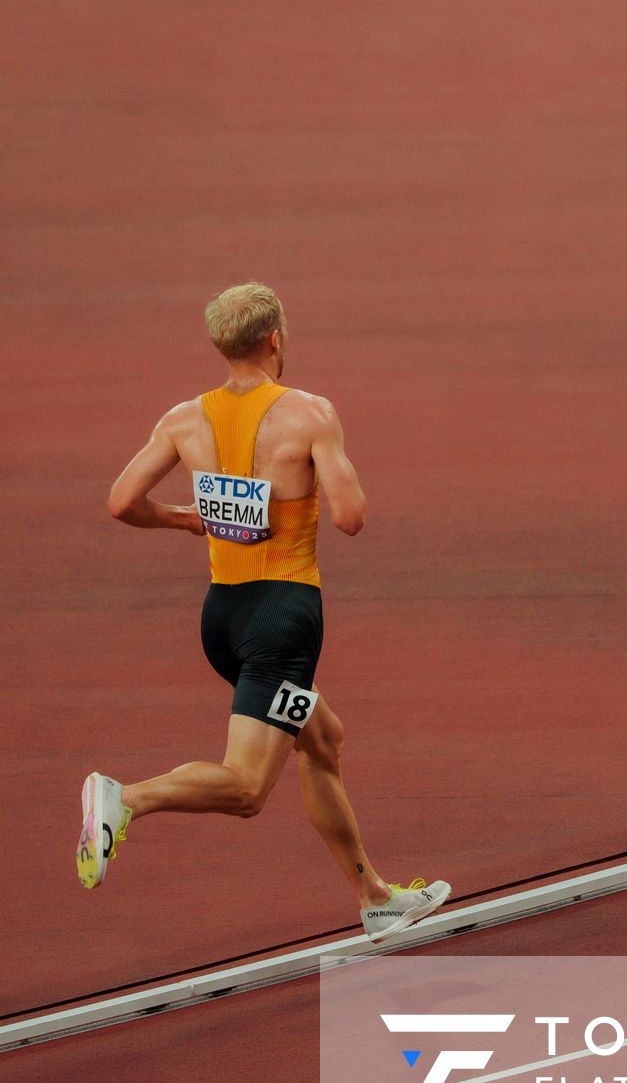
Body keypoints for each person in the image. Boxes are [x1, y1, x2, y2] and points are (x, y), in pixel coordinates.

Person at [76, 282, 450, 941]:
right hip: (283, 623)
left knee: (323, 740)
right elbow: (351, 517)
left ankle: (375, 896)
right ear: (275, 338)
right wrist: (325, 472)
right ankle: (125, 797)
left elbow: (121, 502)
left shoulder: (184, 419)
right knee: (247, 788)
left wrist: (187, 519)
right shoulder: (309, 413)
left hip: (223, 618)